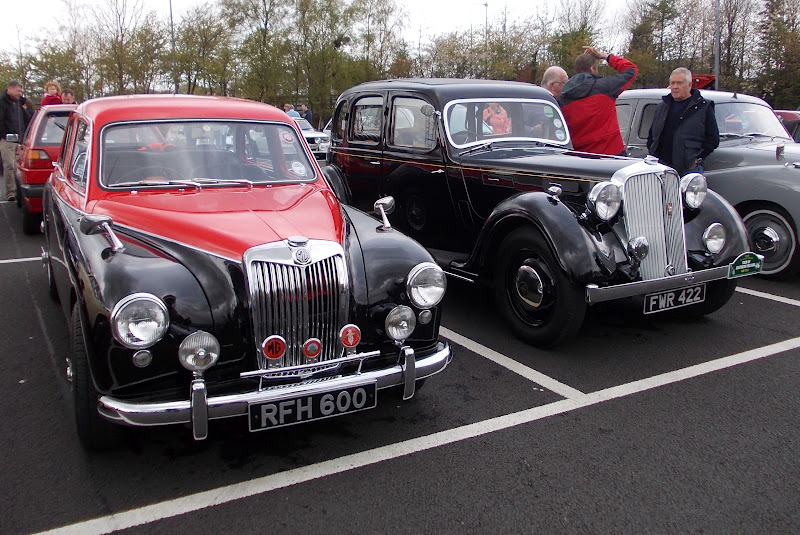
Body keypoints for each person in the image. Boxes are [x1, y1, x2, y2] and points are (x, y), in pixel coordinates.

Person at [558, 46, 638, 155]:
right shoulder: (605, 87)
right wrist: (605, 56)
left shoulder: (562, 98)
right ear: (592, 69)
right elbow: (631, 70)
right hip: (612, 155)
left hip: (580, 159)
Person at [647, 67, 720, 176]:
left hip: (688, 170)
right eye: (673, 83)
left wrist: (696, 160)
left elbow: (713, 140)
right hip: (661, 169)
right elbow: (652, 136)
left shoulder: (703, 107)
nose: (675, 87)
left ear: (689, 85)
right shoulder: (662, 106)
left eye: (679, 83)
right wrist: (652, 154)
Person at [1, 80, 32, 201]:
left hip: (19, 139)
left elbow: (25, 118)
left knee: (19, 167)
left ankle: (19, 191)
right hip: (7, 140)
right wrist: (3, 135)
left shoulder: (18, 103)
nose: (20, 94)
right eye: (18, 91)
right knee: (9, 165)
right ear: (10, 89)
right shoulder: (2, 103)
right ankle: (10, 192)